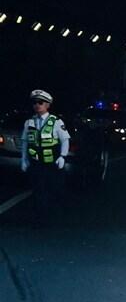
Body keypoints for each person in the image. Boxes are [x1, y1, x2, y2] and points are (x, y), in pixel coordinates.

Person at [21, 89, 70, 220]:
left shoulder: (56, 122)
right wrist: (24, 160)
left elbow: (65, 140)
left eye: (41, 102)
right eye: (34, 102)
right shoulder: (29, 122)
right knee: (38, 190)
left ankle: (56, 214)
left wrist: (62, 157)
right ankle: (41, 217)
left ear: (47, 105)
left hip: (52, 163)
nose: (37, 105)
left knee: (55, 189)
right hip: (36, 163)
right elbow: (25, 142)